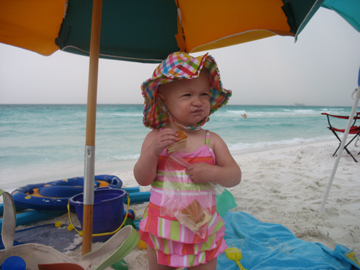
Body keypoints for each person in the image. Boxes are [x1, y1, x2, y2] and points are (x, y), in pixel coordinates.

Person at [134, 52, 241, 270]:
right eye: (187, 95)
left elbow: (234, 176)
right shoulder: (155, 138)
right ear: (163, 100)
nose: (198, 102)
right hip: (163, 226)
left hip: (202, 225)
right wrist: (153, 152)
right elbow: (143, 178)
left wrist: (213, 173)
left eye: (203, 94)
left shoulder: (211, 141)